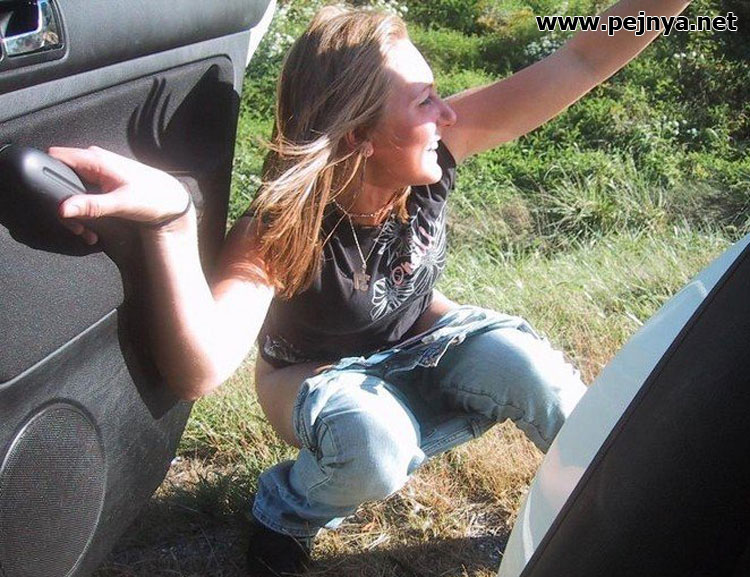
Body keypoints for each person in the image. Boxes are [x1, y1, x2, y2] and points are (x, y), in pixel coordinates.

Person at [50, 0, 691, 573]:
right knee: (374, 444)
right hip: (313, 375)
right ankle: (287, 511)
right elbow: (201, 368)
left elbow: (580, 60)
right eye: (424, 100)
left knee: (534, 373)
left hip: (427, 340)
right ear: (359, 135)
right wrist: (171, 220)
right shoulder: (283, 225)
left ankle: (601, 509)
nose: (447, 112)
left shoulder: (437, 147)